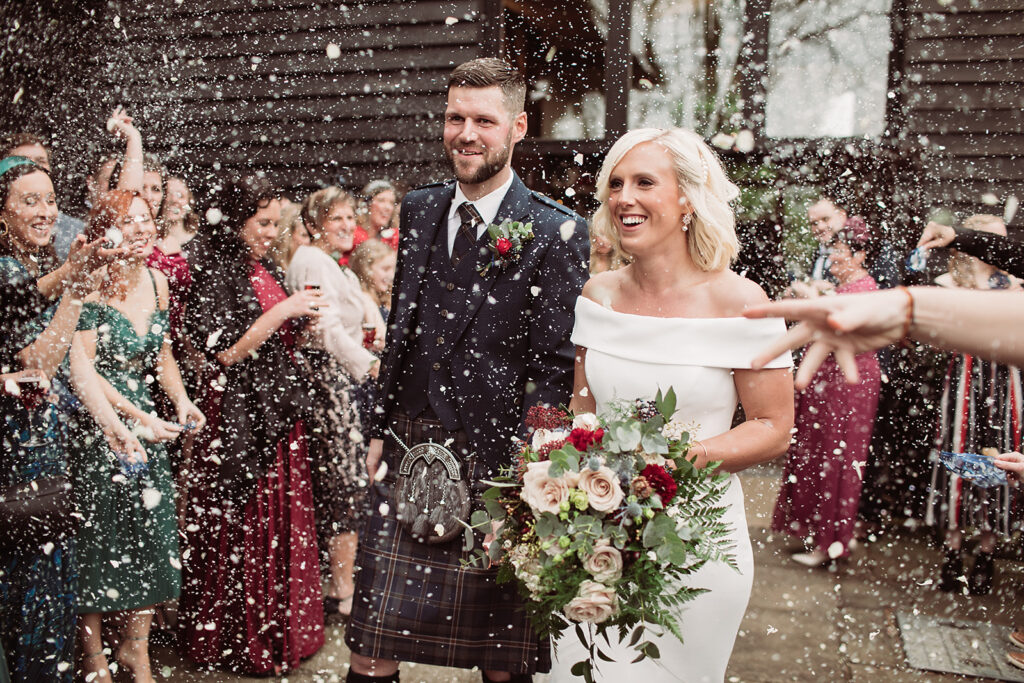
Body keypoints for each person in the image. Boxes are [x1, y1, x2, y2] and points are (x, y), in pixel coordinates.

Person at [345, 57, 590, 683]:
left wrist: (534, 467)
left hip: (499, 463)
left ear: (518, 127)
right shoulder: (422, 208)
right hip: (409, 447)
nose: (467, 133)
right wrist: (379, 424)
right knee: (371, 646)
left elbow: (555, 364)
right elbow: (401, 328)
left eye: (485, 119)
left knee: (501, 663)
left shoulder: (555, 229)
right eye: (456, 117)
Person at [552, 128, 793, 682]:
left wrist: (670, 464)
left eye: (644, 182)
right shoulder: (599, 295)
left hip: (698, 544)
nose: (624, 198)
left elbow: (773, 427)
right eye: (615, 184)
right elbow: (582, 407)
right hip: (595, 535)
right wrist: (562, 478)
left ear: (687, 197)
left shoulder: (742, 302)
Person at [178, 176, 325, 675]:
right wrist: (285, 309)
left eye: (275, 223)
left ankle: (282, 633)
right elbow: (227, 351)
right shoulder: (212, 272)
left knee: (281, 525)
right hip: (240, 416)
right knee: (245, 524)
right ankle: (241, 640)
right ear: (233, 222)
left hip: (276, 407)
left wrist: (298, 324)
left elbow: (270, 336)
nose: (271, 232)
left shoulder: (262, 267)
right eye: (262, 222)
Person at [0, 157, 138, 682]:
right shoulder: (6, 271)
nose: (45, 211)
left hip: (45, 449)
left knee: (49, 587)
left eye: (51, 200)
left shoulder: (33, 265)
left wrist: (114, 423)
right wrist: (77, 288)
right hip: (16, 455)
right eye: (29, 201)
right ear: (2, 213)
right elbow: (38, 363)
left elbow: (75, 362)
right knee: (29, 597)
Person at [68, 190, 204, 683]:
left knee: (151, 537)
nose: (145, 227)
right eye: (132, 221)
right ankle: (93, 656)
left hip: (147, 422)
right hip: (98, 422)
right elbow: (82, 369)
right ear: (108, 229)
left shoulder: (157, 280)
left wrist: (183, 399)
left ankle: (136, 650)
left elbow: (162, 356)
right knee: (98, 539)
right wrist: (136, 420)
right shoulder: (89, 283)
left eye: (148, 218)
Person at [285, 186, 380, 621]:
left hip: (344, 375)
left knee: (352, 477)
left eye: (349, 218)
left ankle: (347, 584)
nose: (346, 226)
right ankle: (342, 590)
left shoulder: (335, 265)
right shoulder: (310, 260)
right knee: (343, 482)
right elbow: (323, 329)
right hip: (326, 379)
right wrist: (369, 365)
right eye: (335, 218)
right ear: (314, 224)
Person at [772, 219, 880, 567]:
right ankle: (813, 531)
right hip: (826, 383)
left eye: (841, 251)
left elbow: (840, 325)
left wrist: (812, 299)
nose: (833, 258)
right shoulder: (843, 287)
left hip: (848, 385)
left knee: (838, 459)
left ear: (861, 255)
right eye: (832, 250)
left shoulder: (865, 289)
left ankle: (830, 544)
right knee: (816, 455)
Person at [924, 216, 1020, 594]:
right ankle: (951, 551)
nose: (1000, 250)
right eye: (991, 241)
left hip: (1005, 380)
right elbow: (935, 340)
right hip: (965, 379)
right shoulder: (949, 285)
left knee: (1001, 459)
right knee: (958, 454)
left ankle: (986, 554)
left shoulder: (1015, 287)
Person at [919, 218, 1024, 279]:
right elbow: (1010, 252)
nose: (1003, 241)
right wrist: (956, 235)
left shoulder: (1012, 283)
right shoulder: (946, 282)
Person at [350, 237, 397, 321]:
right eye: (385, 269)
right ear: (366, 269)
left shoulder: (386, 297)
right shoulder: (364, 300)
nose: (392, 275)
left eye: (393, 269)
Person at [354, 179, 399, 251]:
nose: (388, 207)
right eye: (381, 200)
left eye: (391, 202)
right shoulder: (354, 237)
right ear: (367, 204)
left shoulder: (392, 238)